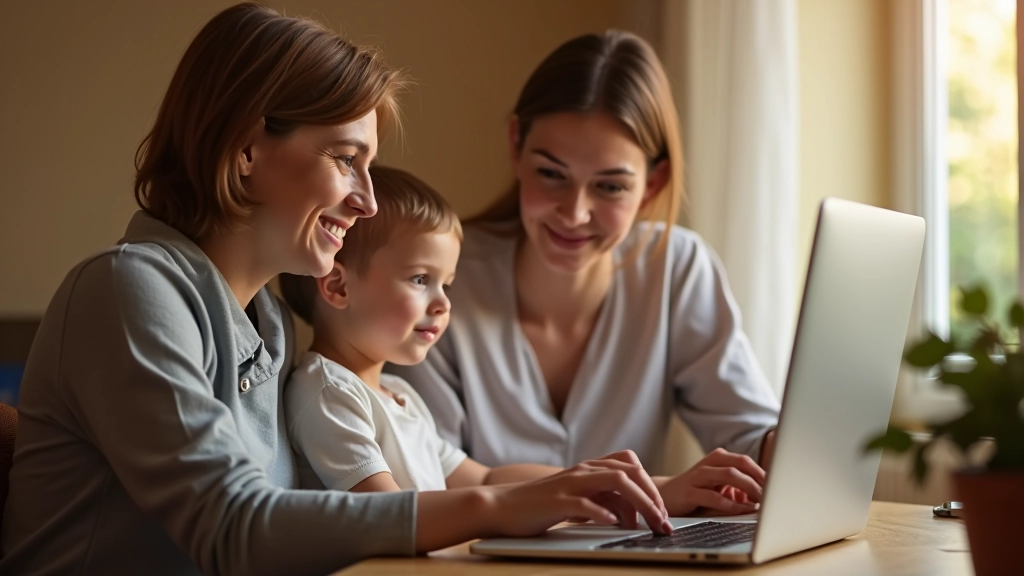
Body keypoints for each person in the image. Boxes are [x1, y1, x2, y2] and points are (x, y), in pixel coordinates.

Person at [0, 7, 673, 575]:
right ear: (246, 151)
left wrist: (646, 491)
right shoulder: (129, 290)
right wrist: (494, 510)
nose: (369, 201)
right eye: (346, 159)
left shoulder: (265, 322)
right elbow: (232, 526)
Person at [388, 30, 781, 516]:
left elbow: (747, 435)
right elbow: (427, 471)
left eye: (610, 187)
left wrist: (785, 446)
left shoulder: (677, 269)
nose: (574, 213)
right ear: (516, 145)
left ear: (651, 183)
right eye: (552, 174)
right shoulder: (433, 280)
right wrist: (658, 489)